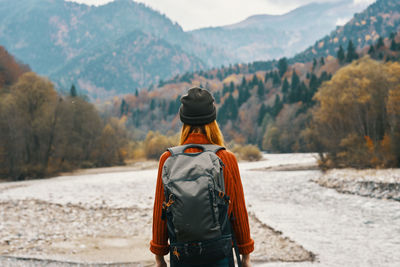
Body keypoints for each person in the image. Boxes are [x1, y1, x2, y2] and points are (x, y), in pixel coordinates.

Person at [150, 87, 254, 267]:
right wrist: (245, 254)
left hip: (181, 253)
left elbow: (161, 212)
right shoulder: (226, 158)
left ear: (184, 121)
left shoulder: (168, 159)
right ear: (213, 120)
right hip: (219, 252)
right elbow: (238, 211)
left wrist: (159, 255)